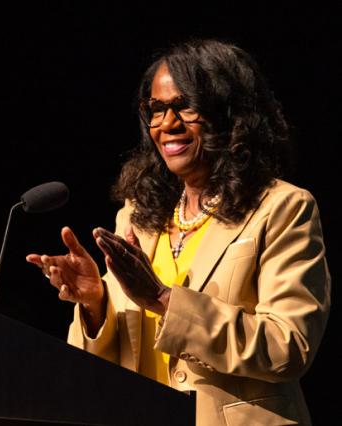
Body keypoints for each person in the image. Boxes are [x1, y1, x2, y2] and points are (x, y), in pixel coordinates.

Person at [26, 38, 331, 425]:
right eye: (156, 109)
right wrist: (95, 305)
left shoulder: (282, 208)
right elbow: (110, 363)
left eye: (186, 106)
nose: (168, 124)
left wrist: (162, 298)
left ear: (229, 112)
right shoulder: (137, 216)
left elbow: (288, 347)